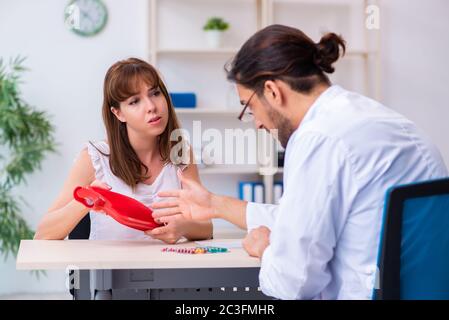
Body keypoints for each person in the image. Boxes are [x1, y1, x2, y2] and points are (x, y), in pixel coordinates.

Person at [151, 25, 448, 299]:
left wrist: (266, 250)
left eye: (250, 109)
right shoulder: (386, 121)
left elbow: (293, 281)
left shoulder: (317, 138)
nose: (257, 125)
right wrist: (214, 204)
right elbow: (306, 222)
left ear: (272, 91)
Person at [35, 58, 212, 243]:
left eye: (155, 93)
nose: (152, 107)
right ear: (118, 113)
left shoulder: (181, 153)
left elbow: (206, 227)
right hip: (109, 270)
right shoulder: (94, 158)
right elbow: (43, 234)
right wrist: (87, 201)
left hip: (166, 269)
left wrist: (183, 227)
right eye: (135, 101)